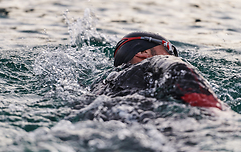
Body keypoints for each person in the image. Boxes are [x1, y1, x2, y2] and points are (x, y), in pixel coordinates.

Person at [92, 32, 226, 110]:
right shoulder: (153, 64)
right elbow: (179, 70)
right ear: (143, 52)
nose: (172, 57)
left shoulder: (102, 84)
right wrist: (217, 112)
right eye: (168, 51)